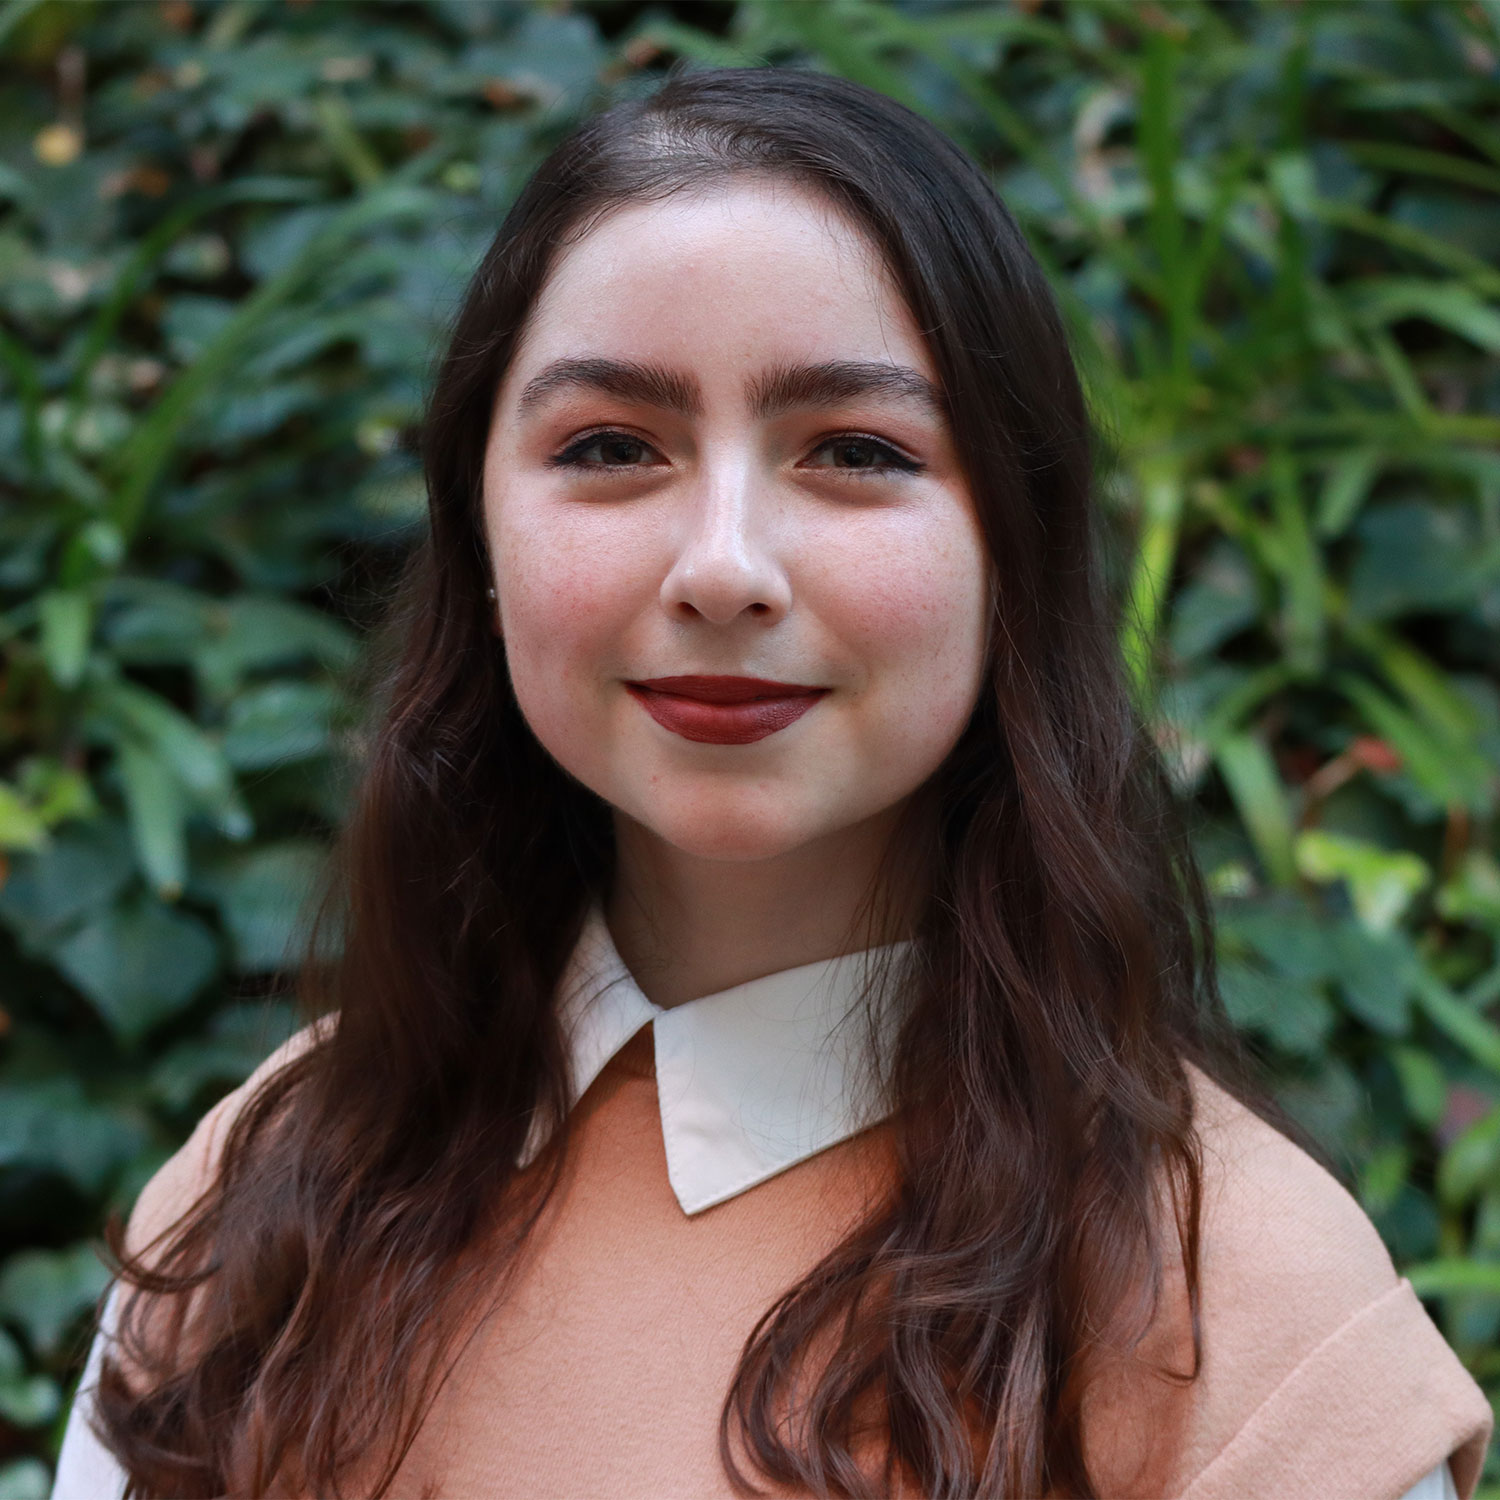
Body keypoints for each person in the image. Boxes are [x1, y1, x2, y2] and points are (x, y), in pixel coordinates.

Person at [51, 65, 1489, 1500]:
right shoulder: (273, 1198)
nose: (724, 566)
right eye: (611, 446)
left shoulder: (1239, 1322)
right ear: (479, 537)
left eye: (856, 451)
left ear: (1014, 555)